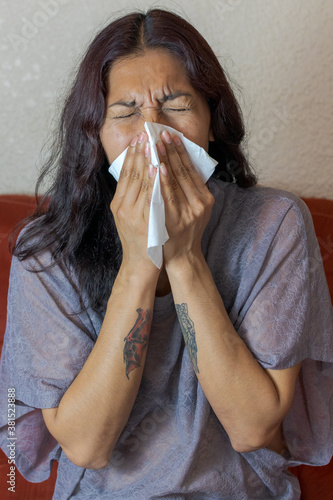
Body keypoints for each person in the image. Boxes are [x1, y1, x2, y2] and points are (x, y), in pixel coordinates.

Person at [0, 8, 332, 500]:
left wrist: (184, 257)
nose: (154, 134)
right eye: (126, 112)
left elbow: (253, 428)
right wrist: (138, 265)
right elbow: (86, 447)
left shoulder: (273, 223)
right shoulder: (47, 251)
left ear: (211, 122)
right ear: (96, 135)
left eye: (176, 103)